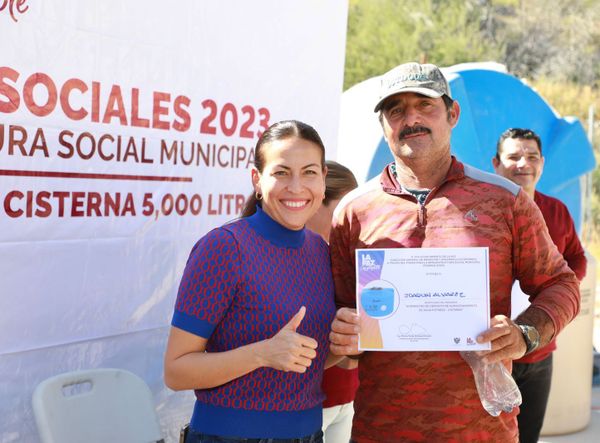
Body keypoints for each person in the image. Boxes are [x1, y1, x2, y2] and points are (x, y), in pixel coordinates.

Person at [327, 62, 581, 442]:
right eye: (395, 110)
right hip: (382, 430)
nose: (410, 118)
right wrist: (344, 335)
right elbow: (342, 317)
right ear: (383, 125)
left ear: (452, 114)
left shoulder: (505, 201)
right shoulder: (353, 211)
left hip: (481, 431)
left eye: (424, 105)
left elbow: (562, 284)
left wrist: (526, 332)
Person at [164, 120, 337, 443]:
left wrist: (345, 346)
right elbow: (176, 371)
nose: (297, 187)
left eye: (309, 172)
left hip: (310, 434)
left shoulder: (321, 252)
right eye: (281, 172)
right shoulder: (224, 248)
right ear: (257, 180)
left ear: (324, 179)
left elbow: (301, 359)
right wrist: (261, 354)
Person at [493, 127, 587, 443]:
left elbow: (577, 258)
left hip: (540, 351)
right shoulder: (481, 213)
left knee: (529, 436)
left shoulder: (556, 211)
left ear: (542, 163)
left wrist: (559, 296)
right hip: (493, 354)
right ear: (496, 163)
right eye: (514, 156)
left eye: (531, 156)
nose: (524, 164)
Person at [306, 161, 359, 443]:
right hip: (305, 404)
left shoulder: (347, 257)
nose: (351, 219)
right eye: (342, 209)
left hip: (348, 397)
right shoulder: (296, 259)